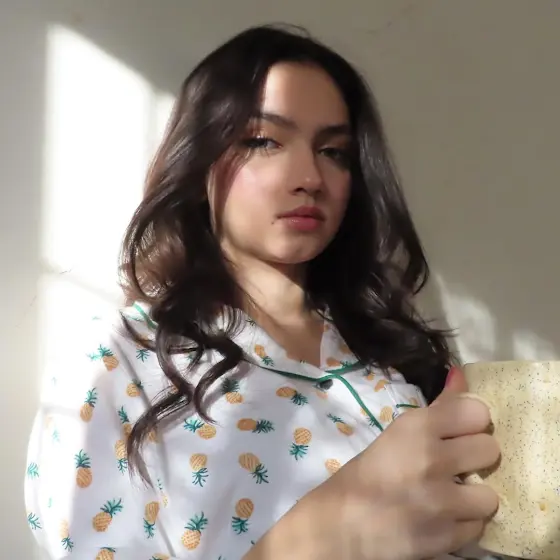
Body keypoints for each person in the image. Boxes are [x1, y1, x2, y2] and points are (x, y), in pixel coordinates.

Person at [24, 24, 502, 560]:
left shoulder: (391, 364)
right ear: (199, 159)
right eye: (263, 141)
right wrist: (323, 536)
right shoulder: (120, 360)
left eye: (334, 151)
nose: (310, 177)